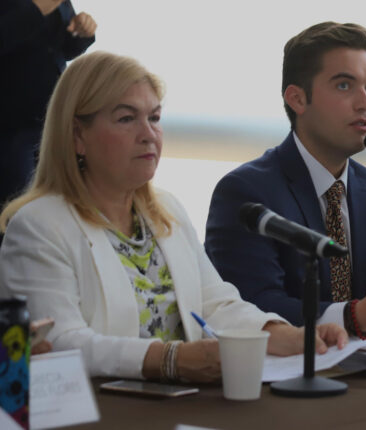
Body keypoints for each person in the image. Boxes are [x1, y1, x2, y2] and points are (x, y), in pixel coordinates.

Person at [0, 51, 347, 382]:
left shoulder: (166, 212)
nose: (148, 134)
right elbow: (60, 342)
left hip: (186, 398)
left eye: (154, 118)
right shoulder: (39, 226)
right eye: (126, 118)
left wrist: (285, 334)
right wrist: (170, 360)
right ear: (78, 135)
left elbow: (216, 304)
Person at [205, 22, 366, 338]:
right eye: (345, 86)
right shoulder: (245, 191)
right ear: (298, 99)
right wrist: (353, 316)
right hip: (288, 376)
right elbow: (252, 305)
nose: (365, 103)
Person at [0, 0, 96, 209]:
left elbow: (59, 47)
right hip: (9, 127)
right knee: (14, 214)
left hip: (52, 118)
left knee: (58, 209)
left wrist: (80, 32)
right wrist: (36, 9)